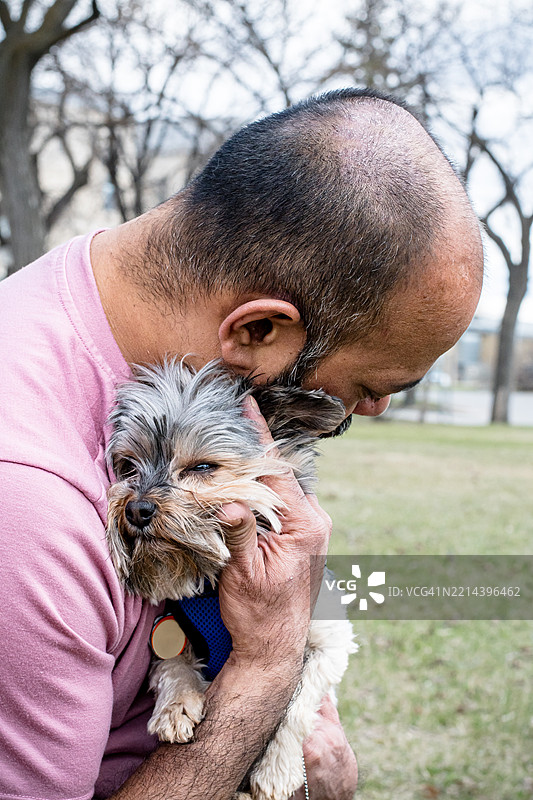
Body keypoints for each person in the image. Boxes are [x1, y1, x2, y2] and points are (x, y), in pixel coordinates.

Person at [0, 88, 483, 799]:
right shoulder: (29, 500)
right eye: (374, 382)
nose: (372, 408)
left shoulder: (102, 305)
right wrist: (264, 664)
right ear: (257, 331)